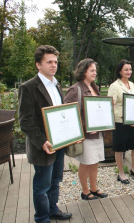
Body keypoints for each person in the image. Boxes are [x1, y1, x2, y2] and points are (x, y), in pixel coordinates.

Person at [18, 45, 72, 223]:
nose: (54, 65)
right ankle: (41, 218)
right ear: (38, 65)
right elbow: (25, 121)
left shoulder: (57, 84)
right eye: (49, 62)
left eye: (55, 62)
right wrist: (42, 142)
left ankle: (52, 209)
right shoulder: (28, 87)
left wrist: (71, 133)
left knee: (55, 180)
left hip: (59, 143)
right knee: (42, 186)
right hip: (43, 146)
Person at [64, 58, 108, 200]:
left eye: (95, 70)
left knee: (95, 161)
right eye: (92, 70)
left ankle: (94, 188)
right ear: (83, 72)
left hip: (97, 133)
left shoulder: (94, 88)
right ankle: (85, 191)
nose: (95, 72)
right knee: (86, 162)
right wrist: (85, 127)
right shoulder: (75, 89)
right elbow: (69, 114)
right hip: (86, 135)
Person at [108, 60, 134, 183]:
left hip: (132, 120)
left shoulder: (132, 85)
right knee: (119, 148)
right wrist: (125, 119)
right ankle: (121, 173)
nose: (129, 72)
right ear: (120, 71)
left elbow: (131, 101)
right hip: (120, 121)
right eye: (126, 70)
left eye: (130, 69)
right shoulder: (114, 86)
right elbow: (111, 106)